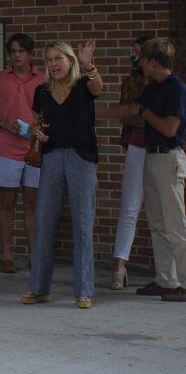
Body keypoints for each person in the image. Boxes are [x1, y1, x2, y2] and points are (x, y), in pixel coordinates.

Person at [21, 39, 103, 309]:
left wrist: (89, 64)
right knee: (44, 222)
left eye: (59, 58)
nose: (54, 64)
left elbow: (98, 87)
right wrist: (37, 133)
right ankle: (38, 288)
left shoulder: (82, 86)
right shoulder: (42, 91)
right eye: (50, 59)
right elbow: (35, 124)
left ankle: (84, 291)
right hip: (52, 157)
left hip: (81, 158)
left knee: (82, 224)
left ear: (70, 61)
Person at [118, 37, 186, 302]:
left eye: (142, 59)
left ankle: (182, 282)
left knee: (176, 224)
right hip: (151, 158)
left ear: (154, 62)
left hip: (168, 160)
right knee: (157, 223)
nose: (139, 62)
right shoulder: (153, 87)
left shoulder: (176, 88)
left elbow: (170, 129)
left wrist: (145, 114)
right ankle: (165, 279)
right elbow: (132, 110)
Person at [0, 34, 45, 273]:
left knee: (33, 201)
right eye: (13, 51)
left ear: (30, 53)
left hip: (35, 150)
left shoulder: (43, 79)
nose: (17, 55)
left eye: (21, 51)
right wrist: (2, 122)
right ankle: (6, 255)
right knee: (7, 201)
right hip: (7, 148)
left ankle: (34, 255)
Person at [110, 32, 155, 289]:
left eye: (139, 52)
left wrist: (144, 117)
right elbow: (124, 115)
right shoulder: (131, 82)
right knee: (130, 206)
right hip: (138, 145)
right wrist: (146, 118)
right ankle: (119, 264)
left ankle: (170, 269)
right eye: (133, 51)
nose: (134, 56)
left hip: (164, 149)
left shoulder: (165, 83)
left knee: (166, 211)